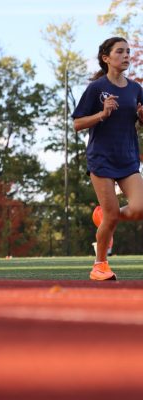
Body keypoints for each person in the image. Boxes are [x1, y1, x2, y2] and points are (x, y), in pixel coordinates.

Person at [73, 36, 143, 281]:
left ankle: (105, 215)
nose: (126, 56)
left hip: (128, 158)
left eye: (128, 51)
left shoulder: (136, 89)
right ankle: (99, 265)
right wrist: (102, 114)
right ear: (106, 58)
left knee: (139, 209)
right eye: (120, 52)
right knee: (113, 216)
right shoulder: (96, 89)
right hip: (101, 158)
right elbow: (77, 123)